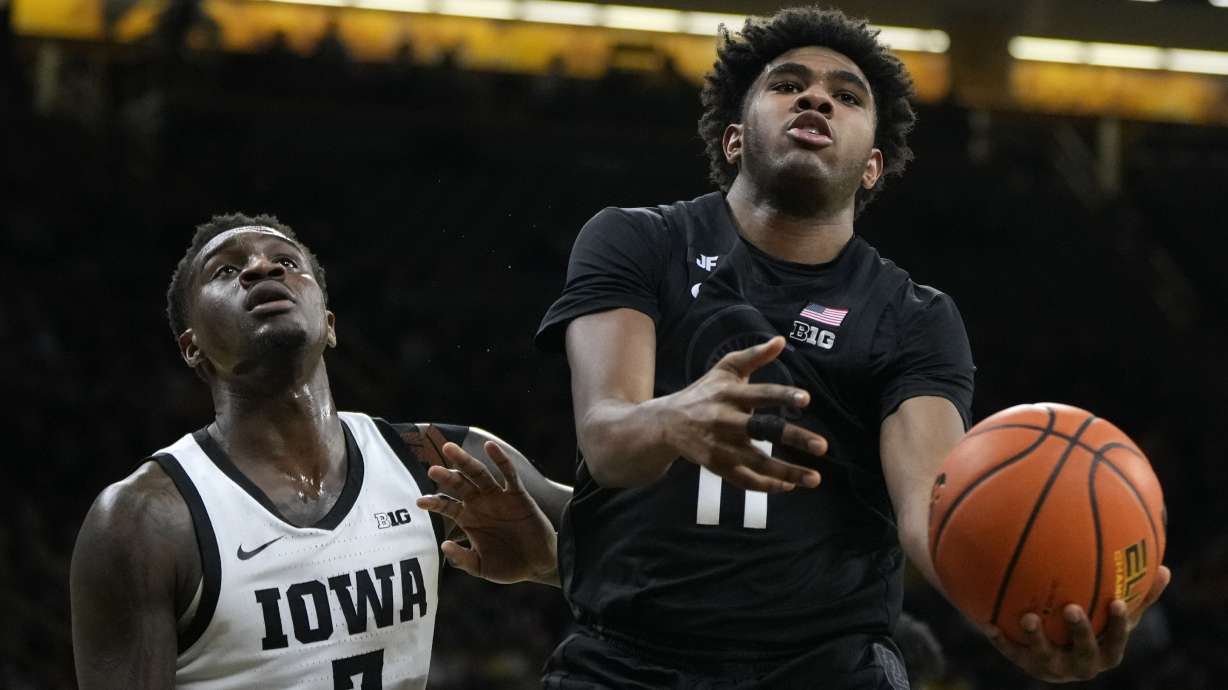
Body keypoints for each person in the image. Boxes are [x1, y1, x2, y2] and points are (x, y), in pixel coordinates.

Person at [535, 7, 1169, 687]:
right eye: (787, 85)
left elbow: (929, 512)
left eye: (846, 96)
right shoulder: (638, 241)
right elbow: (606, 438)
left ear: (872, 167)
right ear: (733, 140)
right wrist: (672, 419)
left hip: (825, 667)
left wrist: (1007, 613)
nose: (815, 98)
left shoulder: (913, 316)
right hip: (623, 658)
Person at [70, 214, 567, 689]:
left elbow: (634, 558)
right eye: (226, 270)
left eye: (286, 262)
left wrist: (551, 564)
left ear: (329, 324)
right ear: (191, 345)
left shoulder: (443, 460)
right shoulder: (144, 519)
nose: (261, 268)